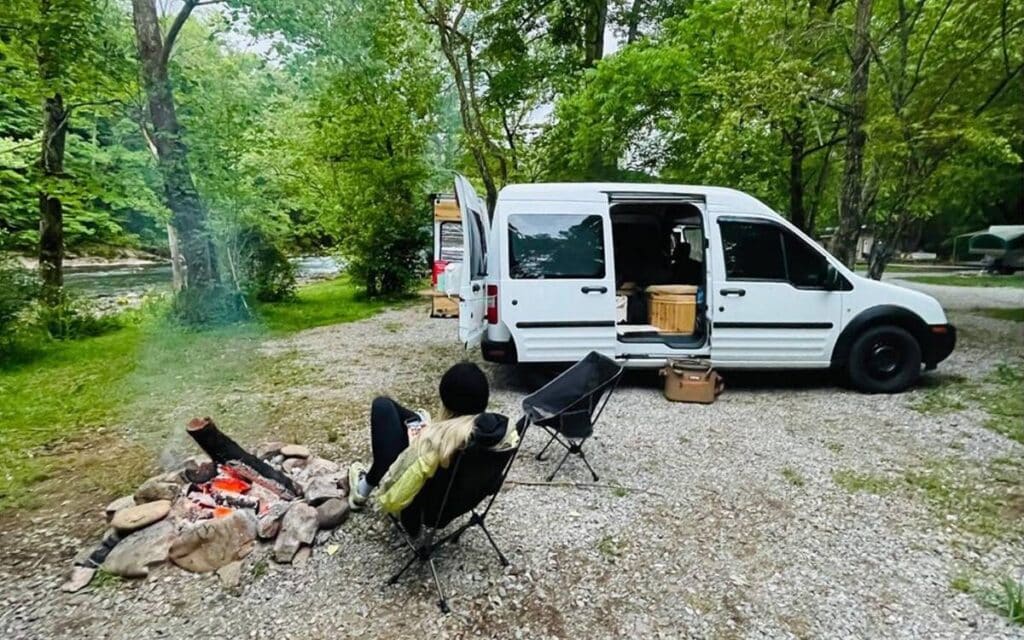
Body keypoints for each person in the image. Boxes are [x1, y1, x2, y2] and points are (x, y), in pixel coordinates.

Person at [347, 362, 518, 514]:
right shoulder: (495, 435)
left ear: (445, 399)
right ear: (484, 399)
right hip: (452, 503)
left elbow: (393, 489)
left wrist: (419, 441)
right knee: (413, 417)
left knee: (382, 405)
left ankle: (363, 488)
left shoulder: (436, 445)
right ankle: (420, 420)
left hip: (422, 507)